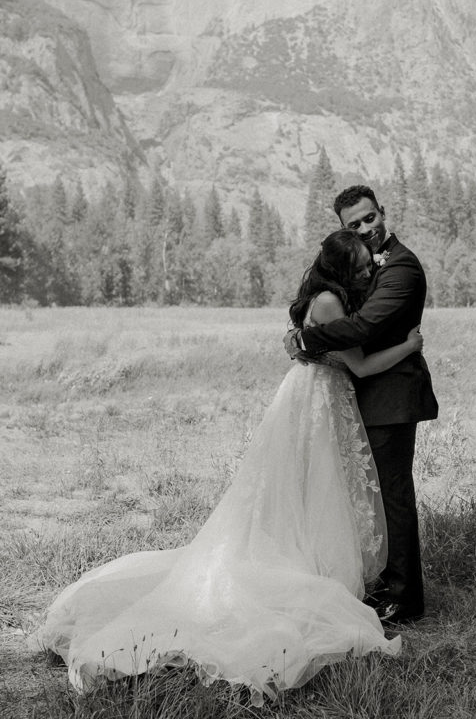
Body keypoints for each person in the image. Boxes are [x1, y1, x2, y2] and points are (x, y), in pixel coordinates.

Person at [36, 230, 424, 705]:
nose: (369, 271)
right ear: (344, 269)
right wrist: (410, 346)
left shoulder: (325, 298)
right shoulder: (328, 303)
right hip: (316, 404)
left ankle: (312, 558)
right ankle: (308, 567)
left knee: (305, 492)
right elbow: (360, 368)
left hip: (313, 399)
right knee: (312, 490)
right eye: (362, 266)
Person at [286, 185, 438, 626]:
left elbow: (365, 325)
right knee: (367, 498)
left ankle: (405, 600)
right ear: (342, 229)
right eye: (354, 224)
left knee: (393, 497)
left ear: (382, 213)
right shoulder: (354, 269)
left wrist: (304, 338)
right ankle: (376, 583)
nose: (366, 229)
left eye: (370, 218)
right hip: (361, 394)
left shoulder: (402, 267)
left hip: (391, 395)